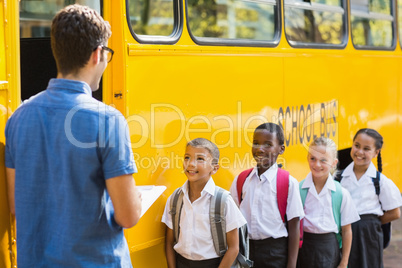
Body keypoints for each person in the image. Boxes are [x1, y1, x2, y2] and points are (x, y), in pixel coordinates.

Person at [5, 5, 142, 267]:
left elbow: (15, 206)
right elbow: (128, 216)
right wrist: (136, 197)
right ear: (97, 54)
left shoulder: (18, 119)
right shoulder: (108, 120)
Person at [161, 138, 247, 268]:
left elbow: (234, 248)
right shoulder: (175, 198)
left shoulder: (223, 201)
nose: (191, 164)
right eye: (187, 157)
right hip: (182, 263)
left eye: (200, 159)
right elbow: (169, 242)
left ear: (214, 168)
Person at [230, 122, 304, 268]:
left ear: (281, 149)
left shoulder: (288, 183)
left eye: (268, 144)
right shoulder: (241, 180)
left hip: (275, 253)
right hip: (246, 250)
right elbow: (232, 220)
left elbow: (294, 226)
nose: (260, 149)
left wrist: (291, 265)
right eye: (256, 143)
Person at [337, 128, 402, 268]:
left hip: (369, 234)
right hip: (344, 232)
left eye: (366, 149)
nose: (360, 152)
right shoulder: (339, 178)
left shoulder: (380, 181)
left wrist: (372, 223)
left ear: (376, 152)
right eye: (357, 145)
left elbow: (395, 212)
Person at [298, 137, 360, 268]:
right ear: (307, 158)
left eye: (323, 160)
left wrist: (344, 262)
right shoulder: (299, 190)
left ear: (334, 163)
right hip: (304, 248)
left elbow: (347, 230)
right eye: (313, 158)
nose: (317, 165)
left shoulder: (341, 193)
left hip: (329, 248)